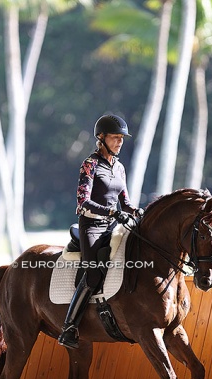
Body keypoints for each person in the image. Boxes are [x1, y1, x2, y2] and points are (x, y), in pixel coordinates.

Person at [58, 114, 144, 349]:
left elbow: (125, 202)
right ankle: (69, 327)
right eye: (115, 138)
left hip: (111, 227)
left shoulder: (120, 168)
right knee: (94, 274)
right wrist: (111, 212)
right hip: (91, 227)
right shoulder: (90, 164)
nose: (119, 142)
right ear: (101, 138)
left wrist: (136, 211)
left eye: (121, 138)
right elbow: (83, 202)